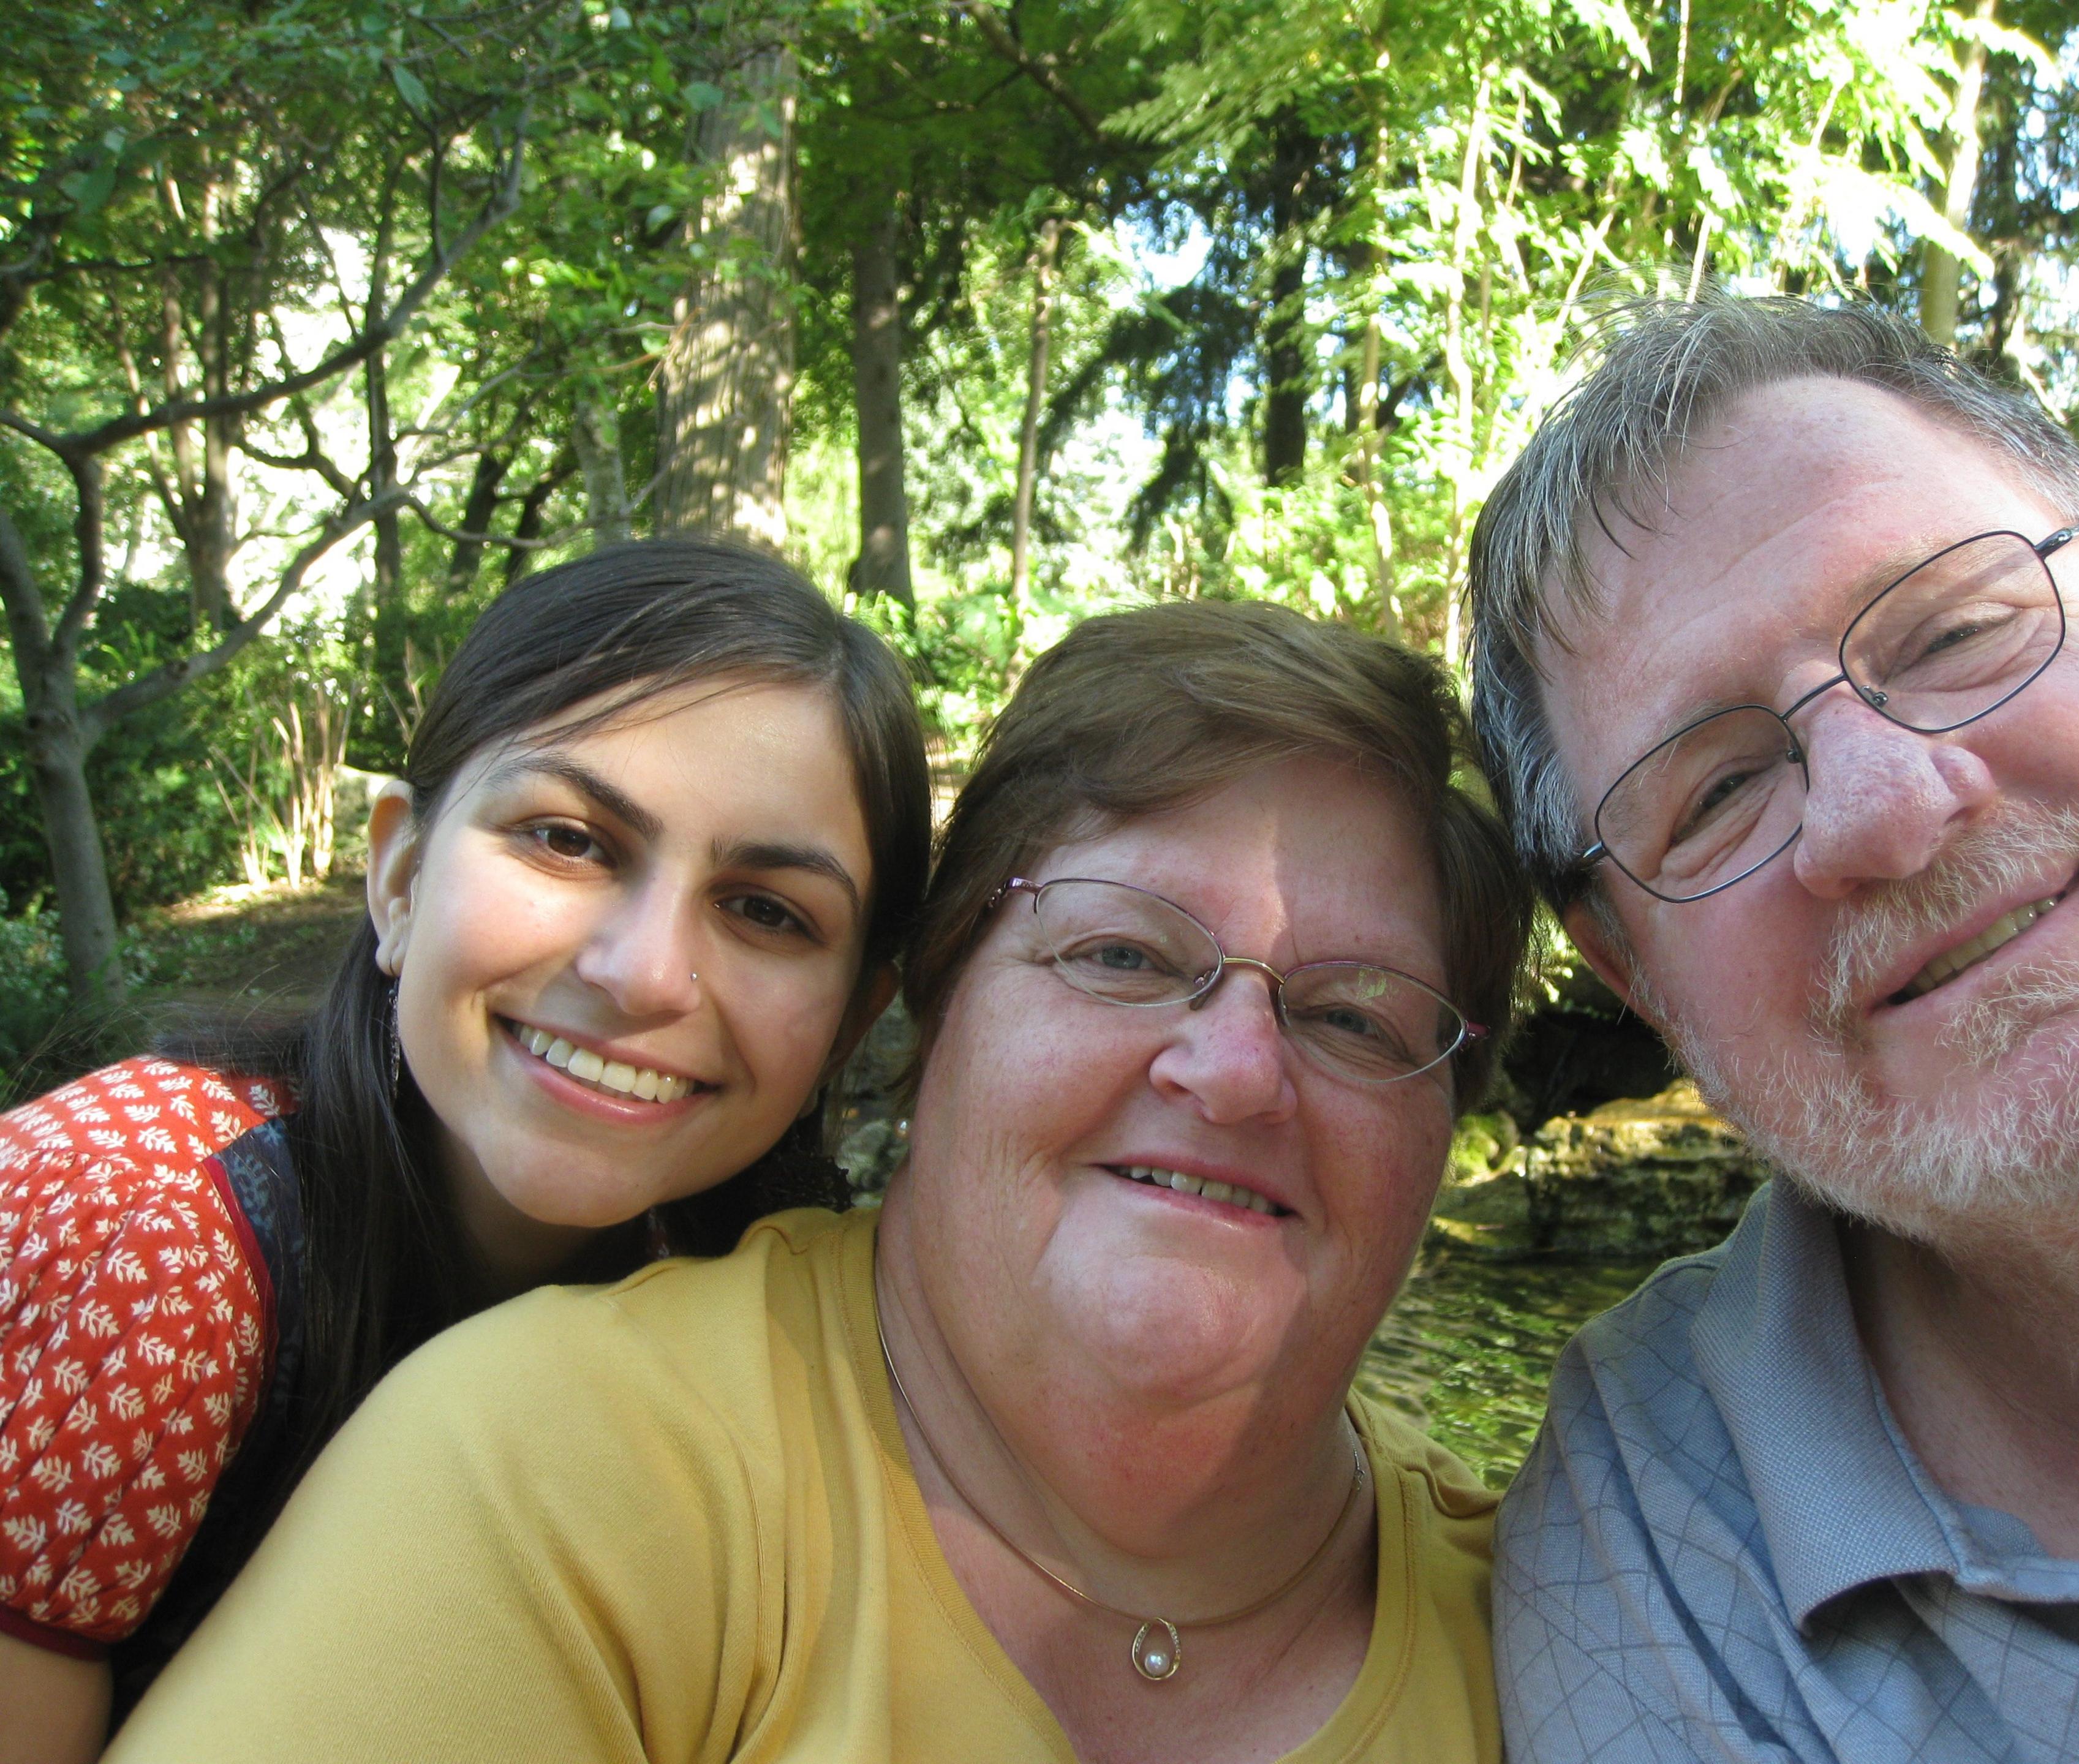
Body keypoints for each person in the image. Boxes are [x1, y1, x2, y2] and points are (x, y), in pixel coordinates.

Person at [105, 599, 1534, 1764]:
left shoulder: (1568, 1637)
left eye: (1356, 1014)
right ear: (931, 1010)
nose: (1234, 1072)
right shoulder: (570, 1470)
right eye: (1121, 954)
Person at [1463, 291, 2079, 1762]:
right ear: (1632, 974)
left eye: (1955, 629)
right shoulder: (1665, 1536)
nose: (1887, 807)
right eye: (1719, 789)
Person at [1, 540, 929, 1764]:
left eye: (765, 911)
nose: (644, 973)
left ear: (853, 1021)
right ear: (398, 873)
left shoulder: (744, 1322)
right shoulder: (145, 1233)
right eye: (570, 840)